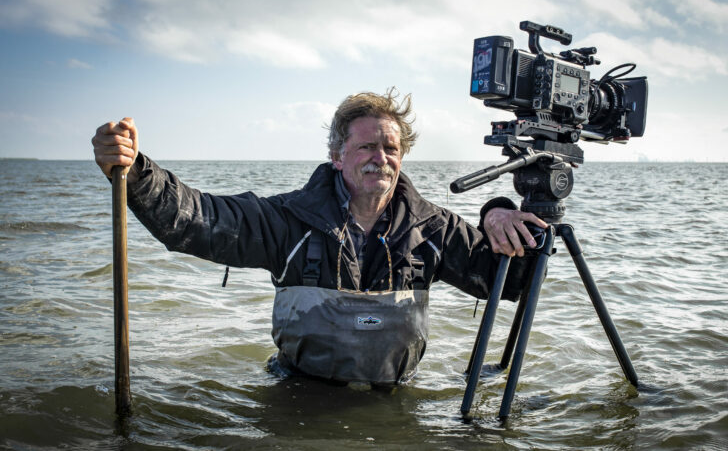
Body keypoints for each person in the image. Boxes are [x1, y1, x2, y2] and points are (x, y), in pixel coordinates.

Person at [92, 89, 546, 385]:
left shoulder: (432, 229)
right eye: (366, 146)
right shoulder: (287, 219)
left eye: (391, 148)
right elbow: (196, 219)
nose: (380, 158)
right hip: (296, 393)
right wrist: (135, 172)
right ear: (336, 155)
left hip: (394, 399)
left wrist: (501, 211)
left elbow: (511, 282)